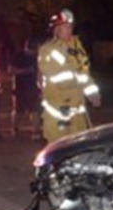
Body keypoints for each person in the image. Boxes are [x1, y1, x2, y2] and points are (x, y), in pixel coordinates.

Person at [38, 9, 100, 143]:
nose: (68, 30)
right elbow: (55, 76)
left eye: (70, 26)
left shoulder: (78, 47)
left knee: (79, 146)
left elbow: (85, 74)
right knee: (59, 148)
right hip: (58, 110)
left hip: (77, 109)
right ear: (56, 30)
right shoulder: (48, 50)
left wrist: (93, 93)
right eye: (64, 26)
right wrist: (75, 76)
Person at [10, 37, 42, 140]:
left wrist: (41, 86)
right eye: (29, 49)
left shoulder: (37, 57)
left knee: (35, 110)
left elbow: (40, 73)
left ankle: (35, 131)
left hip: (33, 87)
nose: (31, 51)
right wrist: (26, 70)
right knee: (19, 111)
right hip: (20, 88)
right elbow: (11, 70)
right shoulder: (18, 56)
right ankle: (15, 127)